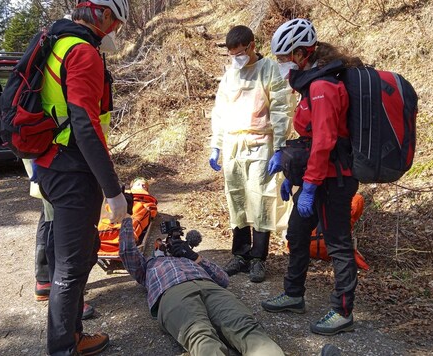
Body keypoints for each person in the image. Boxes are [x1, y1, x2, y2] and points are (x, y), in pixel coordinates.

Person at [32, 1, 130, 355]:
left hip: (48, 164)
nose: (116, 30)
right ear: (104, 14)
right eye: (117, 22)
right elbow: (85, 125)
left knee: (70, 255)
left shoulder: (56, 41)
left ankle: (72, 336)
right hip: (72, 170)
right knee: (71, 267)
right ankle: (63, 347)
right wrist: (112, 190)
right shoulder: (84, 53)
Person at [260, 18, 363, 336]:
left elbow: (324, 142)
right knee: (296, 234)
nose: (282, 65)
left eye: (285, 58)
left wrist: (310, 186)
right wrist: (293, 172)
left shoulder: (322, 87)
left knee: (338, 244)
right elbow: (306, 140)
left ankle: (342, 311)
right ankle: (293, 294)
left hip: (334, 179)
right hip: (315, 176)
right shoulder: (310, 83)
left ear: (303, 52)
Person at [118, 218, 285, 356]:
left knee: (247, 329)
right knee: (201, 337)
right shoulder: (148, 264)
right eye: (160, 244)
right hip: (173, 291)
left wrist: (192, 256)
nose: (165, 245)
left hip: (211, 288)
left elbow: (223, 278)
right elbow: (126, 252)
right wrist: (126, 217)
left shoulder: (190, 257)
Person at [209, 25, 292, 283]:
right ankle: (240, 254)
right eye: (232, 54)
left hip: (260, 142)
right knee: (237, 199)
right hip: (235, 143)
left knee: (261, 199)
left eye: (241, 53)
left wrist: (280, 147)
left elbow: (281, 110)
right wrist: (217, 144)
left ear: (252, 45)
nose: (237, 59)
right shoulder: (230, 75)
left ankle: (258, 258)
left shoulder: (270, 71)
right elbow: (220, 111)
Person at [23, 159, 96, 320]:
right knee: (59, 219)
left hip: (45, 156)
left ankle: (46, 281)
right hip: (52, 160)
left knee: (50, 212)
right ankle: (68, 301)